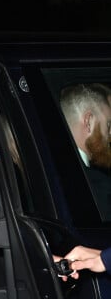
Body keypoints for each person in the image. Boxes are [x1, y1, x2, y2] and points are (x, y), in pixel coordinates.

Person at [60, 83, 111, 217]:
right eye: (108, 125)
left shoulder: (52, 169)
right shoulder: (96, 186)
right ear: (88, 122)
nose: (110, 135)